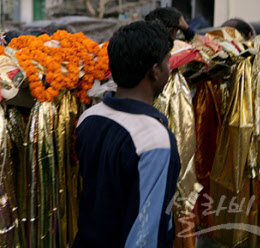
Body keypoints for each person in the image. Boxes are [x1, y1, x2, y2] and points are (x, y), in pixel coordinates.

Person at [73, 21, 181, 248]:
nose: (170, 68)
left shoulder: (90, 118)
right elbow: (146, 232)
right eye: (168, 61)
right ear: (154, 70)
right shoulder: (154, 139)